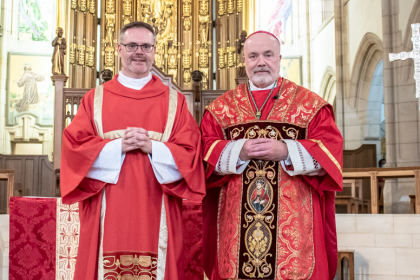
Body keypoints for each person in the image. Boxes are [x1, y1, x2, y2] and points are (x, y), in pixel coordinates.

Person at [60, 21, 205, 280]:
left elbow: (191, 153)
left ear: (154, 50)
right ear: (118, 49)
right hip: (107, 207)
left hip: (157, 205)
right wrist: (117, 146)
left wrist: (152, 148)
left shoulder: (175, 100)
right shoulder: (95, 99)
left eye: (146, 46)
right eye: (132, 45)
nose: (139, 51)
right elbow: (74, 149)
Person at [201, 31, 343, 280]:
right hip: (235, 234)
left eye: (268, 55)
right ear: (244, 60)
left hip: (295, 231)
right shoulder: (220, 110)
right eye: (253, 56)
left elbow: (330, 154)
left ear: (279, 57)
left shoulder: (309, 106)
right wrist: (239, 151)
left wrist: (287, 151)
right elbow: (203, 154)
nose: (261, 62)